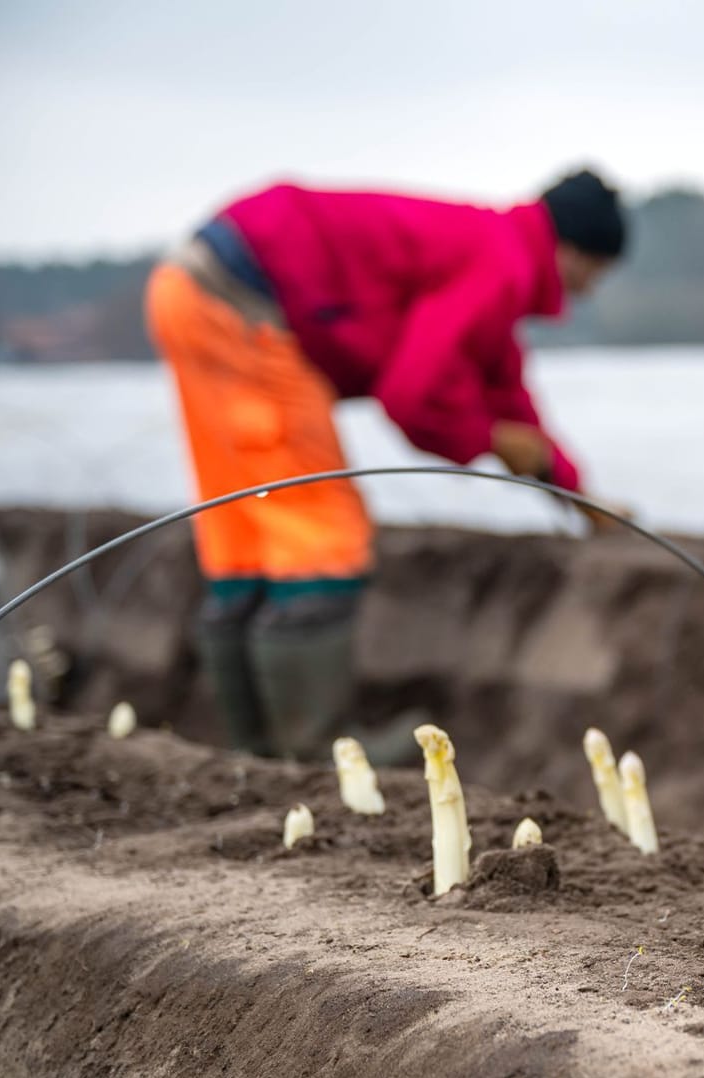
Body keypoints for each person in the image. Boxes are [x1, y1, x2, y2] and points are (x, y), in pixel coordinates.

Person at [145, 169, 626, 762]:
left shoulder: (490, 245)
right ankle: (315, 753)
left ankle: (255, 752)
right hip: (251, 304)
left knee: (246, 529)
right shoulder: (502, 263)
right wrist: (489, 438)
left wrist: (579, 495)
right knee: (322, 533)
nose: (587, 292)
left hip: (188, 288)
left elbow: (506, 390)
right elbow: (411, 394)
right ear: (573, 251)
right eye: (595, 273)